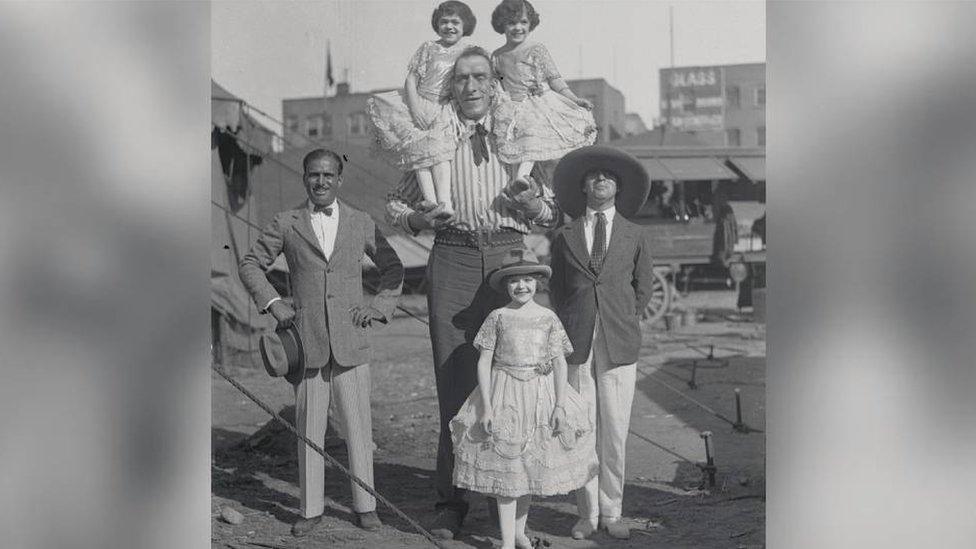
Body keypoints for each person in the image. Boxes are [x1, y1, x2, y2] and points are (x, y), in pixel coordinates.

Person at [386, 45, 561, 541]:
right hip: (454, 253)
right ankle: (450, 500)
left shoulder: (518, 133)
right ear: (451, 86)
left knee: (516, 374)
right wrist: (419, 218)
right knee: (456, 374)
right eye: (461, 78)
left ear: (495, 83)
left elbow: (551, 213)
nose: (472, 86)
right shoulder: (433, 135)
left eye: (481, 76)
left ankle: (507, 499)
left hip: (509, 255)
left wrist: (533, 206)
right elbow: (396, 204)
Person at [239, 149, 404, 536]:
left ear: (340, 180)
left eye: (329, 175)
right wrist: (274, 303)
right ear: (304, 178)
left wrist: (378, 307)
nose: (321, 182)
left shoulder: (361, 222)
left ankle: (366, 506)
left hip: (352, 342)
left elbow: (393, 267)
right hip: (306, 342)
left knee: (358, 429)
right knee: (309, 430)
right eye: (314, 175)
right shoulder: (286, 222)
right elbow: (249, 264)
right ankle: (310, 509)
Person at [449, 247, 597, 549]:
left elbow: (558, 362)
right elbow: (483, 361)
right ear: (506, 285)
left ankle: (518, 533)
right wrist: (487, 407)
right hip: (506, 393)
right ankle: (506, 542)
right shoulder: (498, 317)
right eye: (514, 281)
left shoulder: (547, 318)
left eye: (528, 280)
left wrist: (558, 404)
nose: (522, 286)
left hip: (540, 395)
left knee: (527, 469)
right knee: (508, 471)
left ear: (538, 283)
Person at [548, 145, 655, 540]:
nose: (600, 181)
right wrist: (577, 319)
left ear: (618, 187)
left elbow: (642, 288)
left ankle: (612, 512)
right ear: (583, 187)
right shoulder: (564, 235)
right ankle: (587, 513)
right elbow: (558, 289)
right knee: (580, 428)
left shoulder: (635, 234)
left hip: (619, 342)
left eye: (607, 176)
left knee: (615, 430)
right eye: (593, 176)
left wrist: (622, 317)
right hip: (577, 341)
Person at [367, 0, 477, 217]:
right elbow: (411, 79)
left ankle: (444, 202)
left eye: (455, 22)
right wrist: (415, 109)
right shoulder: (429, 47)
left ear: (465, 27)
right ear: (437, 24)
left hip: (444, 108)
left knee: (440, 153)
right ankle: (430, 201)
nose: (449, 26)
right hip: (419, 101)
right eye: (444, 22)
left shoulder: (467, 51)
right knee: (419, 154)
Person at [489, 0, 597, 187]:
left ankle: (524, 179)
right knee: (515, 144)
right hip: (512, 107)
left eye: (523, 22)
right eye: (511, 23)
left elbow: (555, 79)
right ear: (502, 25)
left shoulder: (536, 49)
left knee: (533, 139)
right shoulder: (497, 55)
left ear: (530, 23)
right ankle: (516, 183)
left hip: (539, 103)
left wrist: (574, 99)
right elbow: (496, 83)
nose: (518, 27)